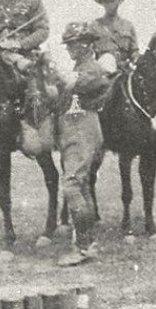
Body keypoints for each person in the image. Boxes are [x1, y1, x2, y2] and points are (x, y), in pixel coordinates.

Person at [56, 22, 110, 267]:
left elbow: (75, 85)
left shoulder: (92, 68)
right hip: (76, 130)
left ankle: (83, 247)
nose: (69, 49)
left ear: (86, 44)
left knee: (71, 185)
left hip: (82, 130)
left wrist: (53, 71)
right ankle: (88, 244)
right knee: (83, 186)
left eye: (72, 44)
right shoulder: (82, 67)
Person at [88, 0, 138, 73]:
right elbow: (88, 54)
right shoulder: (94, 26)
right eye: (107, 2)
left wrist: (135, 59)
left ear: (119, 2)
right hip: (102, 73)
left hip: (125, 72)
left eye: (113, 1)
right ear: (103, 4)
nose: (111, 5)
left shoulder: (128, 26)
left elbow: (134, 51)